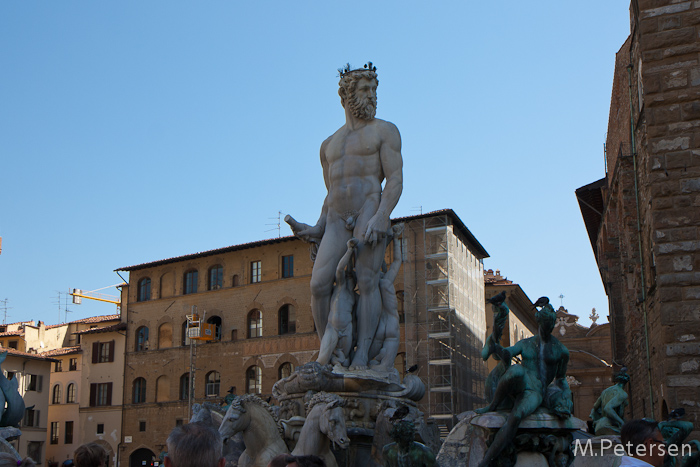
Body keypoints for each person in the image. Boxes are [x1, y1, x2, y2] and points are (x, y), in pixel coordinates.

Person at [286, 62, 403, 370]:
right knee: (318, 285)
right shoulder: (328, 145)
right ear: (346, 95)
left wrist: (382, 215)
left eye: (374, 89)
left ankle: (362, 355)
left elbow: (394, 180)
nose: (372, 96)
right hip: (337, 218)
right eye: (366, 89)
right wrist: (316, 227)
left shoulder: (385, 131)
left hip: (369, 210)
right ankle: (331, 352)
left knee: (366, 282)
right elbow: (331, 193)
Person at [475, 302, 572, 467]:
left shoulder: (561, 350)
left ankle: (487, 460)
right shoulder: (526, 344)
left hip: (536, 390)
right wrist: (497, 348)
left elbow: (561, 379)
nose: (548, 328)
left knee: (517, 416)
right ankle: (493, 405)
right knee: (516, 370)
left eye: (551, 325)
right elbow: (509, 353)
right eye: (546, 324)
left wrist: (566, 397)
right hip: (523, 378)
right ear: (540, 322)